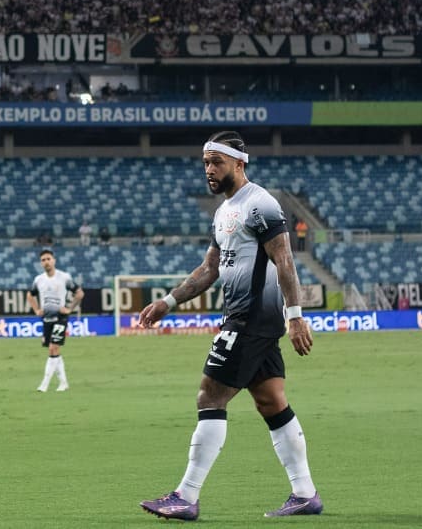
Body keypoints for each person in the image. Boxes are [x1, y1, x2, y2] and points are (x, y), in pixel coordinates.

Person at [137, 131, 322, 521]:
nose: (208, 169)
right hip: (248, 317)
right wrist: (168, 302)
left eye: (216, 162)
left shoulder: (260, 204)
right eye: (205, 162)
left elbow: (285, 260)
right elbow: (209, 269)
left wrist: (296, 316)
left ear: (239, 163)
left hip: (251, 318)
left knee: (210, 396)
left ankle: (186, 496)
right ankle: (305, 493)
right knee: (271, 401)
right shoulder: (224, 212)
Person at [26, 248, 84, 393]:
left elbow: (79, 293)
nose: (46, 262)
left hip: (60, 317)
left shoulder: (64, 277)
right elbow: (29, 295)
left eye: (48, 259)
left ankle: (44, 384)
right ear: (41, 263)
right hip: (46, 318)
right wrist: (37, 310)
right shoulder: (38, 280)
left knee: (53, 347)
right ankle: (64, 383)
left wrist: (70, 308)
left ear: (54, 260)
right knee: (54, 350)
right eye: (43, 260)